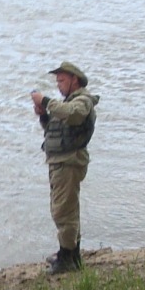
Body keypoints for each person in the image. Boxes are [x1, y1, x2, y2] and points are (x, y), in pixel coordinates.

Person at [31, 60, 98, 275]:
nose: (58, 85)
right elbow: (53, 129)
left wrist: (47, 101)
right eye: (57, 81)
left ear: (74, 80)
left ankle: (67, 258)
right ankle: (70, 254)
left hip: (69, 162)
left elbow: (74, 114)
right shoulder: (67, 104)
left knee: (63, 211)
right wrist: (43, 114)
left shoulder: (82, 101)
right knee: (66, 209)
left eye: (61, 80)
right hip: (60, 162)